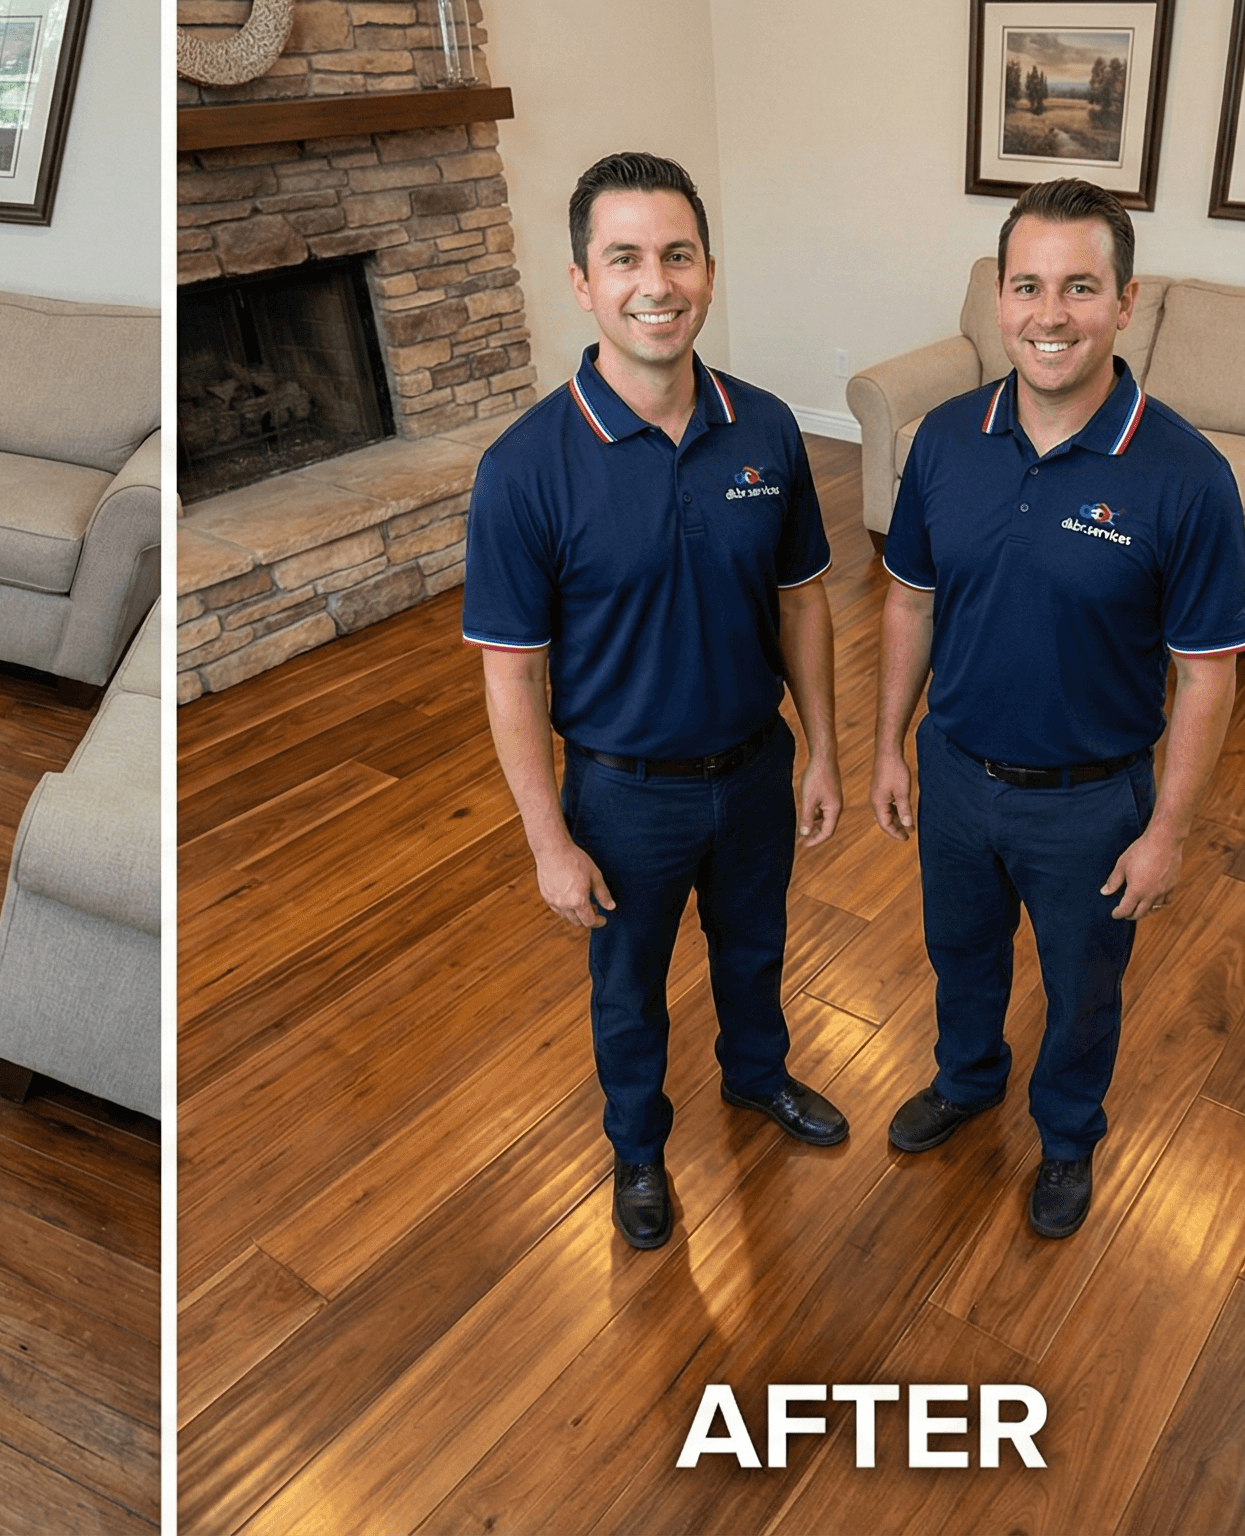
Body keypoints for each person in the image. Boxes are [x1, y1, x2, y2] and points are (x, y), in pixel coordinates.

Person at [464, 151, 844, 1251]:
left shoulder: (765, 429)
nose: (654, 283)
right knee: (628, 993)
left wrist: (821, 750)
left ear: (708, 273)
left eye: (676, 255)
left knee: (755, 950)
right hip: (622, 796)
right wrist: (546, 839)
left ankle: (754, 1079)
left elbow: (804, 604)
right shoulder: (524, 467)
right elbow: (509, 671)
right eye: (622, 257)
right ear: (581, 283)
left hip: (755, 767)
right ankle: (636, 1147)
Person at [869, 178, 1245, 1239]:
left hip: (1090, 803)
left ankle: (1068, 1135)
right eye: (1028, 286)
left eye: (1079, 287)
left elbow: (1208, 673)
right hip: (952, 771)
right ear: (998, 298)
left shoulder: (1185, 475)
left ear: (1125, 301)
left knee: (1082, 991)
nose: (1049, 315)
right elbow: (908, 598)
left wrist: (1167, 832)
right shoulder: (944, 440)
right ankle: (966, 1077)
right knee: (961, 953)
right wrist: (888, 747)